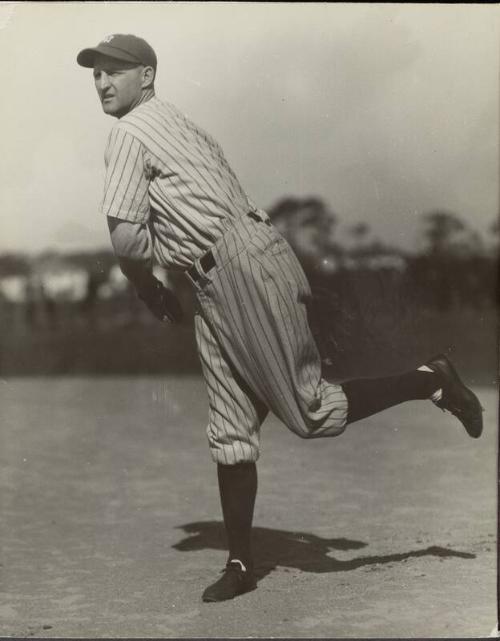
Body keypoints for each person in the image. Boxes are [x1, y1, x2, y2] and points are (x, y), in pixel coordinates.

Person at [77, 34, 483, 603]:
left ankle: (431, 379)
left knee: (310, 409)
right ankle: (241, 563)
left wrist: (146, 288)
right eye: (94, 72)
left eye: (114, 71)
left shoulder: (127, 133)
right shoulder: (179, 123)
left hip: (237, 265)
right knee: (230, 426)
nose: (101, 82)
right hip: (219, 274)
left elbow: (126, 240)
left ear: (146, 76)